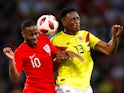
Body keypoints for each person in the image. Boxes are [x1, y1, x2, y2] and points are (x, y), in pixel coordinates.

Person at [51, 8, 123, 93]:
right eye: (72, 19)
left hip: (85, 86)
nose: (77, 21)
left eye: (78, 18)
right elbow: (48, 66)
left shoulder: (85, 35)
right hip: (66, 84)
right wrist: (57, 60)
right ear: (64, 22)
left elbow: (109, 50)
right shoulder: (55, 40)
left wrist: (115, 37)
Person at [3, 19, 71, 93]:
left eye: (36, 33)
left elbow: (53, 62)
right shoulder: (20, 52)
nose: (35, 37)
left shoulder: (43, 39)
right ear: (23, 34)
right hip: (33, 90)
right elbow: (15, 79)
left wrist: (59, 58)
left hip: (50, 89)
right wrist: (11, 61)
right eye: (31, 35)